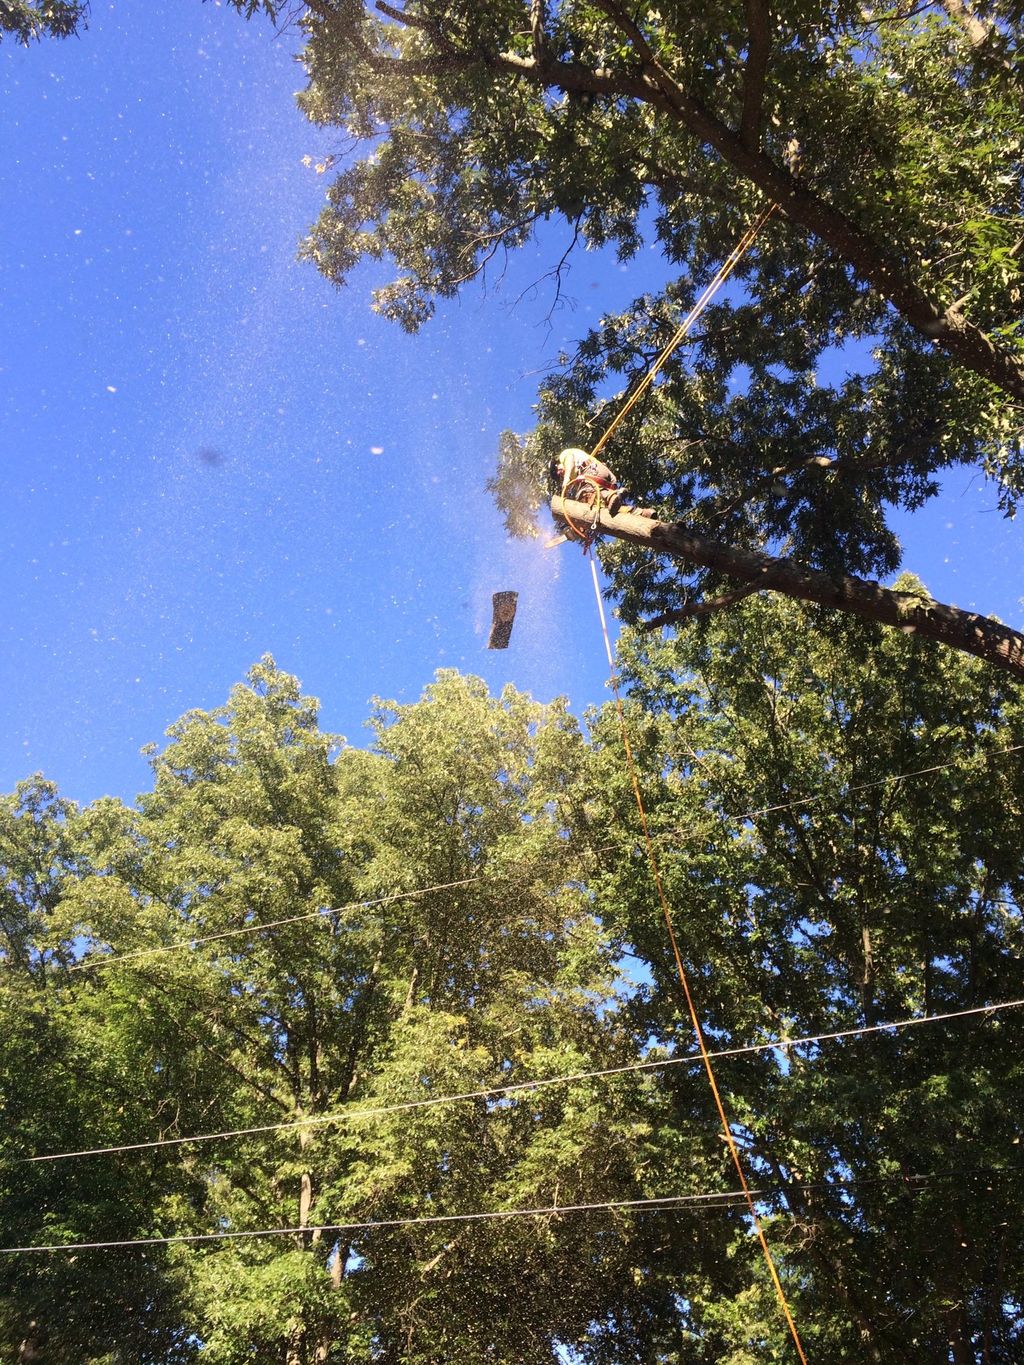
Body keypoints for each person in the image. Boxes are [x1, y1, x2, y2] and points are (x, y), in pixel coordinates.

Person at [551, 448, 652, 517]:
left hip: (592, 471)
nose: (560, 474)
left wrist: (566, 479)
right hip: (603, 474)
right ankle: (642, 513)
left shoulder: (564, 455)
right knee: (610, 508)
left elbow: (570, 461)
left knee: (585, 495)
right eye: (558, 476)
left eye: (558, 471)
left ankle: (612, 496)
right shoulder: (575, 475)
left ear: (557, 464)